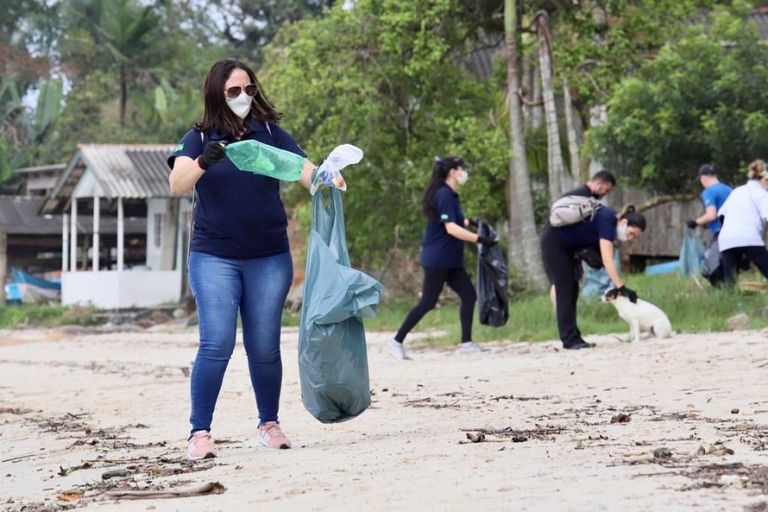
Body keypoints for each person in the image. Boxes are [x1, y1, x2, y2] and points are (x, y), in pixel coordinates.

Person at [168, 58, 320, 460]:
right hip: (214, 255)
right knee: (216, 342)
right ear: (217, 93)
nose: (242, 97)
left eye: (248, 90)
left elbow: (304, 170)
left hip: (268, 255)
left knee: (265, 345)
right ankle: (199, 432)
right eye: (233, 91)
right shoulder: (198, 137)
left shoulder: (270, 134)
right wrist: (204, 160)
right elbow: (177, 183)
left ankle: (269, 424)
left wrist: (326, 178)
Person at [385, 156, 494, 361]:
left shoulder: (450, 195)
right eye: (462, 169)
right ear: (453, 171)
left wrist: (470, 221)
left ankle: (467, 343)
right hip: (438, 258)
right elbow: (451, 228)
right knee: (428, 302)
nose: (464, 173)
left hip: (450, 260)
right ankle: (396, 341)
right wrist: (480, 239)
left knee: (469, 295)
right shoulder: (444, 194)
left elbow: (454, 219)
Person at [540, 204, 647, 350]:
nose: (630, 238)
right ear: (623, 223)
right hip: (555, 245)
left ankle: (573, 337)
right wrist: (622, 288)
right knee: (565, 290)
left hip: (569, 250)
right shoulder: (608, 223)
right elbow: (608, 261)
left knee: (572, 290)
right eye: (631, 234)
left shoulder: (608, 223)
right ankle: (570, 340)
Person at [551, 170, 617, 305]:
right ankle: (557, 312)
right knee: (560, 282)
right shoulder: (581, 195)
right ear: (599, 183)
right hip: (557, 242)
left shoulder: (588, 198)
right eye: (606, 190)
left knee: (570, 281)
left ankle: (563, 315)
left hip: (570, 245)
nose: (606, 193)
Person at [717, 159, 768, 285]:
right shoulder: (762, 194)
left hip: (726, 239)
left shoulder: (736, 191)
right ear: (764, 179)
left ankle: (727, 302)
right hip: (749, 237)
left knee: (730, 280)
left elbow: (721, 215)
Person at [686, 163, 732, 237]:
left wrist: (695, 222)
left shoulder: (709, 191)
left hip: (721, 233)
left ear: (703, 178)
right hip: (734, 229)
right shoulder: (728, 189)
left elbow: (711, 215)